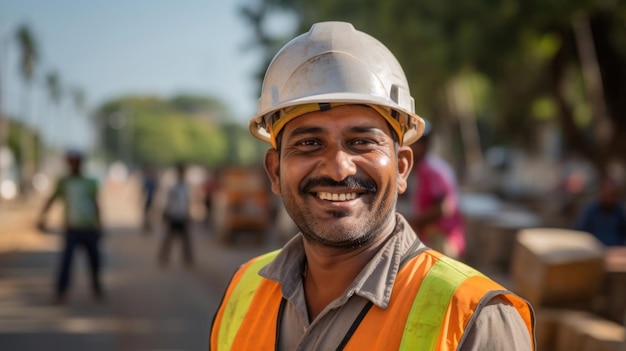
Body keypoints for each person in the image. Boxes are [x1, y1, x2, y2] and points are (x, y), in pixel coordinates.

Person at [210, 21, 535, 350]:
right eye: (309, 143)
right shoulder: (243, 291)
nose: (338, 169)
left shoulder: (473, 320)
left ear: (403, 167)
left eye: (362, 142)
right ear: (275, 171)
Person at [38, 150, 104, 303]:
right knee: (66, 262)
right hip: (71, 229)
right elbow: (52, 199)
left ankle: (97, 287)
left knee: (94, 261)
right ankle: (61, 291)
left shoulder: (90, 182)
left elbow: (96, 204)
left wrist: (99, 225)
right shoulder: (64, 183)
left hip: (88, 228)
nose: (73, 165)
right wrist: (42, 217)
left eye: (75, 162)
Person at [409, 121, 466, 259]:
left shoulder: (433, 171)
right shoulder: (422, 169)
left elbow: (444, 208)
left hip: (442, 240)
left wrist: (413, 223)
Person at [159, 162, 193, 268]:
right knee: (169, 239)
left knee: (185, 240)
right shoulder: (174, 187)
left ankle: (187, 259)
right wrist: (167, 214)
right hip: (174, 216)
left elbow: (187, 202)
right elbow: (169, 202)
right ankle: (163, 257)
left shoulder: (185, 187)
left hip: (182, 216)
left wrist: (187, 214)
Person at [575, 177, 626, 246]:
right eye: (608, 194)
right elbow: (581, 231)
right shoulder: (591, 209)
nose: (610, 198)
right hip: (595, 248)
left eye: (613, 194)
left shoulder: (619, 211)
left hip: (615, 249)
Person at [141, 163, 159, 233]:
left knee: (149, 212)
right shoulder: (149, 179)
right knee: (147, 212)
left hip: (150, 198)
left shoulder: (150, 180)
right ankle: (147, 225)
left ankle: (148, 225)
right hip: (148, 198)